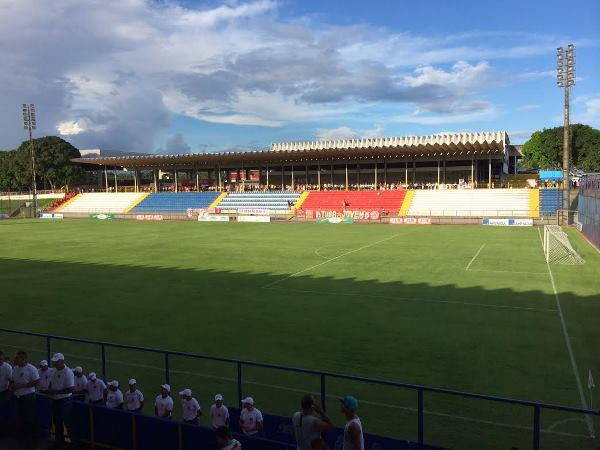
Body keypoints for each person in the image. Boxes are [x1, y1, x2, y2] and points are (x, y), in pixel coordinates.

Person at [11, 351, 39, 450]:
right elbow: (13, 381)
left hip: (28, 397)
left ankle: (32, 441)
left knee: (29, 419)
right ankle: (22, 440)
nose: (15, 359)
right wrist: (13, 387)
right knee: (20, 419)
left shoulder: (31, 369)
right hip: (18, 397)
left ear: (23, 359)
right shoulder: (14, 369)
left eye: (17, 358)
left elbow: (36, 382)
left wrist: (21, 386)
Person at [48, 352, 75, 449]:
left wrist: (57, 392)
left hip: (65, 400)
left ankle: (73, 444)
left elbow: (71, 389)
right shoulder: (54, 371)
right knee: (57, 422)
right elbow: (51, 382)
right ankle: (59, 442)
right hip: (56, 400)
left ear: (62, 361)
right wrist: (50, 389)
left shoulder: (68, 372)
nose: (54, 363)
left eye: (56, 362)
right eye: (54, 362)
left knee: (68, 422)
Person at [0, 351, 12, 436]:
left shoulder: (7, 367)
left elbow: (11, 381)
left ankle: (3, 432)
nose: (0, 360)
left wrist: (8, 393)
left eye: (1, 359)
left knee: (2, 413)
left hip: (3, 392)